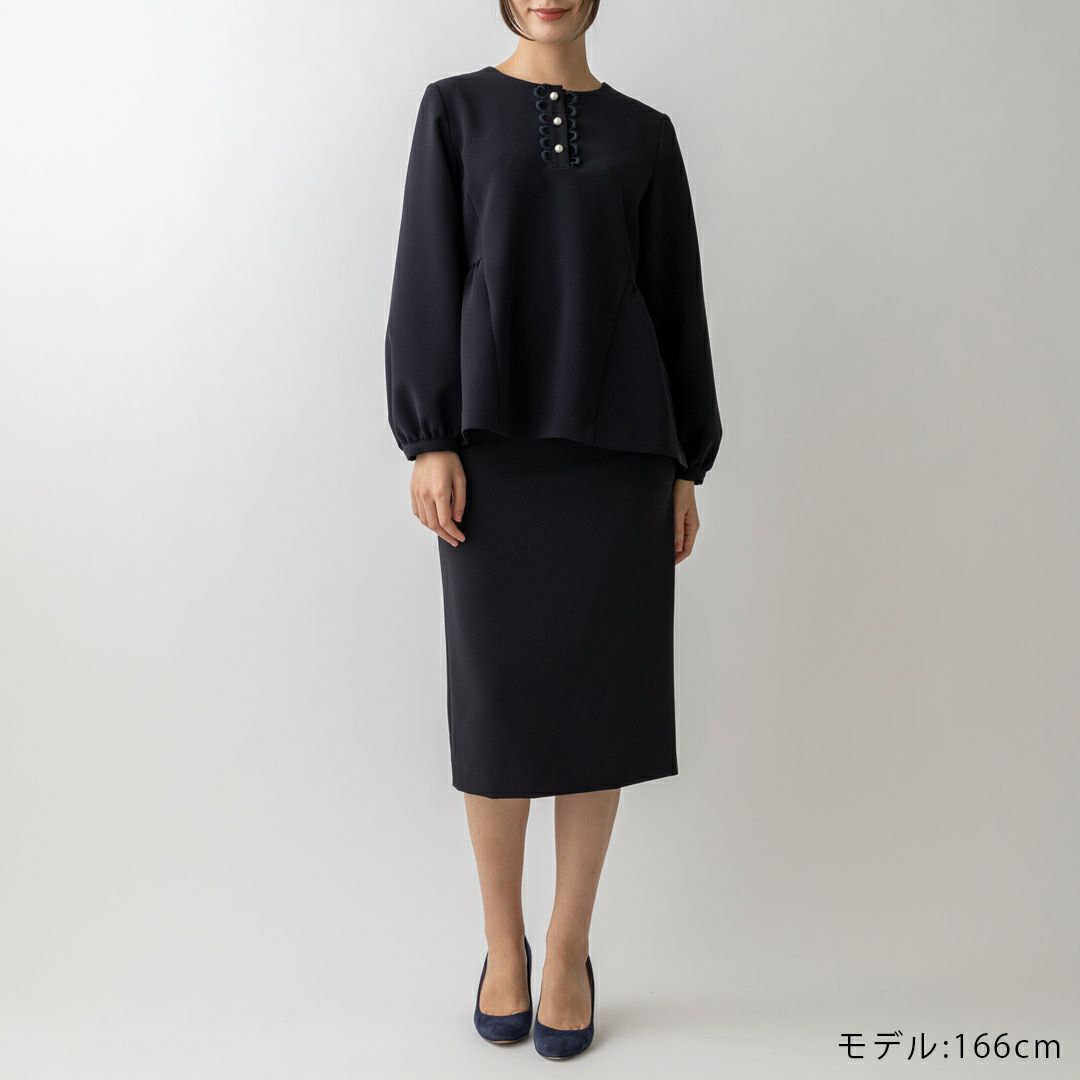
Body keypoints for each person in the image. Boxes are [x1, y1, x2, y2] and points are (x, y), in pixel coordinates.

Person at [384, 0, 722, 1059]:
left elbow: (676, 300)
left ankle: (569, 948)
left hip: (620, 459)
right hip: (493, 451)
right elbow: (427, 270)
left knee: (598, 705)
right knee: (496, 709)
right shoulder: (454, 112)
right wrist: (429, 437)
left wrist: (686, 461)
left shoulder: (646, 134)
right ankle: (504, 945)